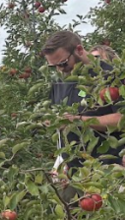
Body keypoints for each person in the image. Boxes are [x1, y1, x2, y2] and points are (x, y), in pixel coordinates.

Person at [43, 31, 123, 171]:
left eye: (63, 63)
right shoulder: (61, 83)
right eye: (54, 66)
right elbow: (61, 128)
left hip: (107, 169)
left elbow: (121, 119)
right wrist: (62, 162)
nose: (60, 69)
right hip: (74, 172)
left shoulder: (112, 76)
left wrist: (77, 121)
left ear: (79, 50)